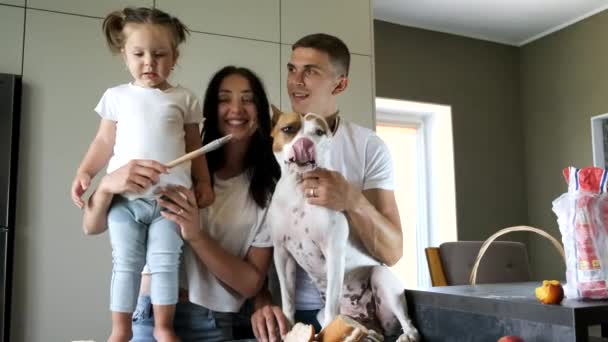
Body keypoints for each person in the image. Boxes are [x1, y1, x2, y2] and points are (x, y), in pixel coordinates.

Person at [82, 66, 279, 341]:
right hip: (149, 315)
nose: (236, 108)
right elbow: (91, 226)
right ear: (208, 110)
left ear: (261, 111)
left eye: (248, 99)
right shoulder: (179, 164)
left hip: (213, 322)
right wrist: (104, 185)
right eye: (224, 99)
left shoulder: (269, 192)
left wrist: (196, 236)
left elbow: (251, 284)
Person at [70, 7, 214, 342]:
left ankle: (164, 328)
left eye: (160, 54)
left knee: (165, 265)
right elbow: (103, 141)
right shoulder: (116, 97)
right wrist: (85, 172)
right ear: (124, 55)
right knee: (125, 264)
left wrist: (204, 183)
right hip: (125, 202)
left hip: (171, 202)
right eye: (139, 54)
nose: (149, 62)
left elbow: (197, 147)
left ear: (175, 57)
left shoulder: (185, 98)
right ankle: (120, 331)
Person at [251, 33, 404, 342]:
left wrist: (352, 200)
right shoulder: (269, 144)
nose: (296, 80)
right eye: (292, 69)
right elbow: (252, 239)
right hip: (287, 315)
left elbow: (393, 251)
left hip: (357, 313)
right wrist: (262, 300)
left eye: (310, 71)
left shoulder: (368, 147)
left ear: (339, 84)